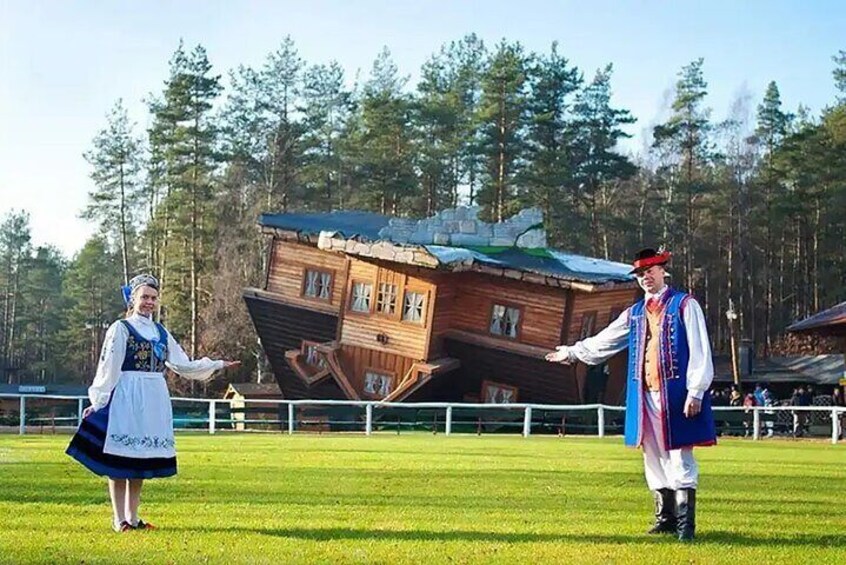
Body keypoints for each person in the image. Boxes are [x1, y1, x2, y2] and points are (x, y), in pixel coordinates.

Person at [546, 248, 715, 542]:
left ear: (662, 271)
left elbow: (700, 349)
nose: (645, 278)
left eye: (650, 271)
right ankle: (665, 518)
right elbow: (606, 339)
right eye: (640, 274)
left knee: (679, 453)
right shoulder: (635, 313)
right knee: (652, 453)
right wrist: (573, 352)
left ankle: (685, 526)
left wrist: (696, 391)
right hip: (644, 394)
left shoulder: (685, 305)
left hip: (675, 395)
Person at [66, 274, 239, 532]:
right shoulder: (121, 328)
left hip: (154, 397)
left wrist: (217, 364)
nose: (149, 302)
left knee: (140, 459)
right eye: (144, 297)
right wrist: (99, 400)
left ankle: (134, 518)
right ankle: (119, 519)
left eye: (153, 298)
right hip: (127, 394)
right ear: (133, 299)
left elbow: (182, 364)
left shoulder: (160, 332)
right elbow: (109, 367)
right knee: (119, 459)